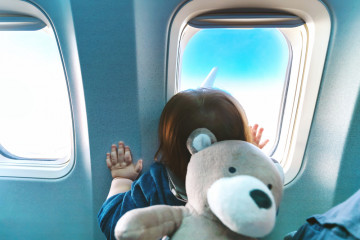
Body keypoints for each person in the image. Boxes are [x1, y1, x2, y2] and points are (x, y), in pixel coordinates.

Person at [97, 88, 269, 240]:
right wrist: (250, 159)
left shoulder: (156, 183)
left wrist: (121, 180)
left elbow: (116, 226)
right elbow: (263, 219)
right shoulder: (246, 187)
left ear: (168, 146)